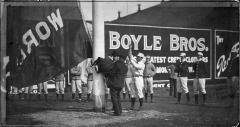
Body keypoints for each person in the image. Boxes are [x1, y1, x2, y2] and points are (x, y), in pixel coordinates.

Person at [107, 51, 128, 116]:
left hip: (114, 83)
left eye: (114, 56)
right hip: (121, 84)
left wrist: (106, 73)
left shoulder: (116, 64)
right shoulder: (125, 66)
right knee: (118, 97)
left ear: (118, 57)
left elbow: (111, 73)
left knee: (114, 98)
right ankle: (119, 110)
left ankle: (117, 112)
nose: (113, 58)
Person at [128, 44, 145, 110]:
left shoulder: (142, 64)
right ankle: (132, 106)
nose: (138, 57)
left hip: (139, 78)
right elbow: (130, 55)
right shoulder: (134, 60)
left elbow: (136, 66)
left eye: (139, 57)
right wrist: (130, 49)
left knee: (139, 91)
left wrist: (131, 60)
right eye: (137, 56)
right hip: (133, 77)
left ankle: (141, 106)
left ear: (141, 58)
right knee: (132, 92)